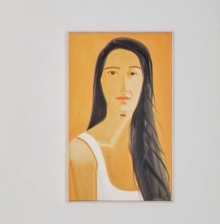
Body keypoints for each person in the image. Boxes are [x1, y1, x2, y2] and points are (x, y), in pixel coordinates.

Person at [69, 37, 170, 201]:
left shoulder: (149, 150)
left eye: (133, 73)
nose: (123, 85)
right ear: (100, 81)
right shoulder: (82, 150)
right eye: (113, 73)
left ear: (144, 82)